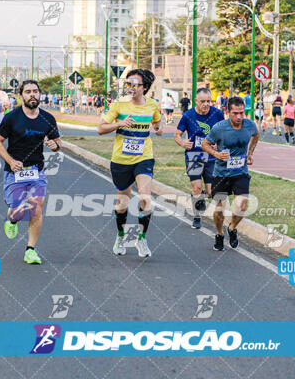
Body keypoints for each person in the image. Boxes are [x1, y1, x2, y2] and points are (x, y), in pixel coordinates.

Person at [0, 79, 62, 265]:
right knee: (18, 210)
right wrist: (10, 161)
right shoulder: (12, 117)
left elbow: (58, 143)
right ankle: (12, 219)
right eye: (28, 91)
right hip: (15, 172)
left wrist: (54, 145)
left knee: (36, 209)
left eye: (35, 91)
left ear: (40, 94)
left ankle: (30, 250)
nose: (32, 94)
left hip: (37, 171)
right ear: (21, 95)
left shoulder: (48, 118)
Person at [97, 69, 163, 258]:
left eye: (136, 85)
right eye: (128, 84)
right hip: (121, 160)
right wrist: (119, 124)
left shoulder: (152, 105)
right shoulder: (118, 105)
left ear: (145, 88)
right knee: (122, 202)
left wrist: (158, 128)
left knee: (145, 198)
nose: (131, 88)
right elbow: (100, 129)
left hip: (144, 157)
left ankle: (141, 238)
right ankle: (120, 236)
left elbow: (158, 123)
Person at [202, 97, 259, 251]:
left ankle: (232, 228)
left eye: (242, 113)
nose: (239, 117)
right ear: (228, 112)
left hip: (240, 172)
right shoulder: (219, 128)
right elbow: (205, 144)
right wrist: (216, 154)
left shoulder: (249, 125)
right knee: (220, 208)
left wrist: (250, 154)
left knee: (242, 205)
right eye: (235, 113)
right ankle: (219, 234)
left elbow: (256, 135)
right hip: (221, 174)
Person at [174, 88, 225, 229]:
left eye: (209, 101)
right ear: (196, 101)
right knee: (196, 188)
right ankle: (197, 216)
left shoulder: (217, 114)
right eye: (203, 101)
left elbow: (224, 132)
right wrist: (183, 143)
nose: (206, 104)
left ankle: (202, 196)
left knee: (211, 192)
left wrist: (218, 144)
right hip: (194, 156)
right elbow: (177, 135)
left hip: (211, 157)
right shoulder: (188, 115)